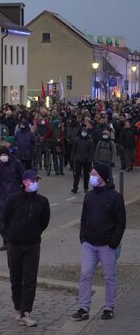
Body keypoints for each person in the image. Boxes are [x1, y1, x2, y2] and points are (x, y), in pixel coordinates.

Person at [72, 164, 126, 322]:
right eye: (91, 174)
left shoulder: (115, 197)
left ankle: (109, 307)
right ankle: (83, 307)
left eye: (94, 175)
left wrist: (113, 242)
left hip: (107, 245)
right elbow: (84, 218)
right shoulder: (89, 196)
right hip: (89, 244)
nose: (91, 177)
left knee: (109, 277)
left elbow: (120, 222)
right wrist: (83, 238)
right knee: (85, 275)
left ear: (102, 177)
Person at [2, 170, 50, 327]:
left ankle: (25, 311)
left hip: (32, 245)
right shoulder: (13, 200)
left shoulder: (42, 201)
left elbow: (44, 222)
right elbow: (5, 219)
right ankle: (17, 306)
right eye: (32, 180)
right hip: (15, 245)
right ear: (24, 182)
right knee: (16, 279)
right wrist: (11, 236)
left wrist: (34, 233)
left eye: (37, 179)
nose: (36, 182)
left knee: (30, 280)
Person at [0, 147, 24, 250]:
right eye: (1, 155)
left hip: (15, 194)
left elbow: (23, 176)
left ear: (8, 155)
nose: (2, 157)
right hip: (2, 194)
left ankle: (17, 240)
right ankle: (6, 241)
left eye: (4, 155)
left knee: (15, 218)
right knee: (3, 218)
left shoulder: (17, 163)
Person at [71, 128, 95, 193]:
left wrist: (90, 159)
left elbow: (91, 151)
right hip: (78, 159)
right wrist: (72, 158)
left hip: (86, 160)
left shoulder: (90, 141)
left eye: (85, 132)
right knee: (76, 174)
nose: (84, 133)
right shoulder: (77, 140)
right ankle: (75, 188)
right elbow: (74, 150)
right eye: (83, 131)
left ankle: (86, 188)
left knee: (86, 175)